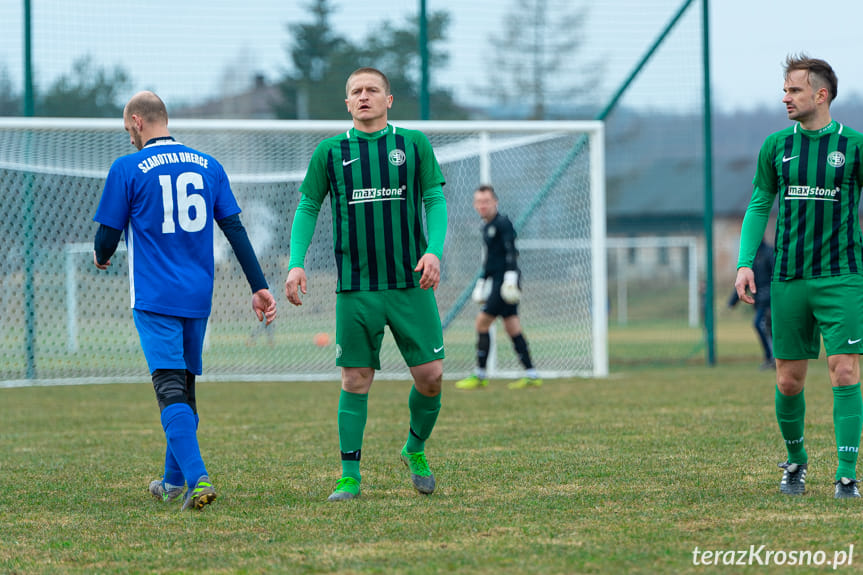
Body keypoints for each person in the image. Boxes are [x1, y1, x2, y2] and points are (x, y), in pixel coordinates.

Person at [93, 91, 277, 511]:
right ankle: (173, 482)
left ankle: (198, 480)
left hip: (156, 295)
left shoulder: (127, 167)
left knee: (169, 388)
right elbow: (235, 230)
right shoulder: (208, 165)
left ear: (137, 122)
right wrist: (258, 285)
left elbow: (107, 236)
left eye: (128, 131)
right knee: (185, 388)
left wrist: (101, 256)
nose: (129, 138)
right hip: (198, 296)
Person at [284, 67, 447, 502]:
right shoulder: (330, 152)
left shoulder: (412, 144)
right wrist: (296, 263)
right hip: (356, 288)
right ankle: (349, 477)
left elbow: (434, 199)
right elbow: (307, 207)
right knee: (355, 378)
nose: (364, 96)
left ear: (388, 99)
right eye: (355, 91)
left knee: (431, 377)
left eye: (372, 90)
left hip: (410, 284)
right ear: (347, 102)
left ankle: (414, 448)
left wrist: (433, 249)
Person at [734, 55, 863, 499]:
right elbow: (758, 204)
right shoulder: (776, 146)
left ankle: (847, 473)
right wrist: (745, 262)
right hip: (788, 279)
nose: (785, 97)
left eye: (794, 90)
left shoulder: (855, 146)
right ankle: (796, 461)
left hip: (843, 276)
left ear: (820, 95)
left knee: (844, 371)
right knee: (788, 379)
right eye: (785, 89)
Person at [455, 185, 541, 390]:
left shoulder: (503, 223)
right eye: (479, 202)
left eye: (486, 201)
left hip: (505, 283)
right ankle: (532, 373)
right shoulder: (485, 227)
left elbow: (511, 251)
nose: (482, 205)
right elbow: (490, 260)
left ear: (495, 202)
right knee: (512, 326)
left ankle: (480, 374)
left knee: (481, 323)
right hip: (497, 281)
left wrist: (510, 278)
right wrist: (482, 281)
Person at [728, 240, 775, 370]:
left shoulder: (769, 253)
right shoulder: (751, 257)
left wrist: (771, 297)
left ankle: (773, 358)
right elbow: (745, 280)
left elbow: (775, 277)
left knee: (763, 326)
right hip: (760, 302)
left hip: (770, 301)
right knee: (766, 328)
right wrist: (733, 301)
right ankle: (772, 358)